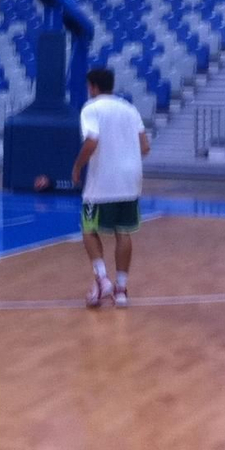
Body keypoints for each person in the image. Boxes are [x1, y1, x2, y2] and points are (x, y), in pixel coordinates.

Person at [72, 67, 149, 308]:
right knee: (122, 232)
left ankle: (103, 278)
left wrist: (77, 167)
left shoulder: (91, 108)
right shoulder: (130, 109)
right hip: (130, 178)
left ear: (92, 86)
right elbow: (145, 147)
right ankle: (122, 290)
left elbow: (92, 140)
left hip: (104, 180)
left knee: (88, 228)